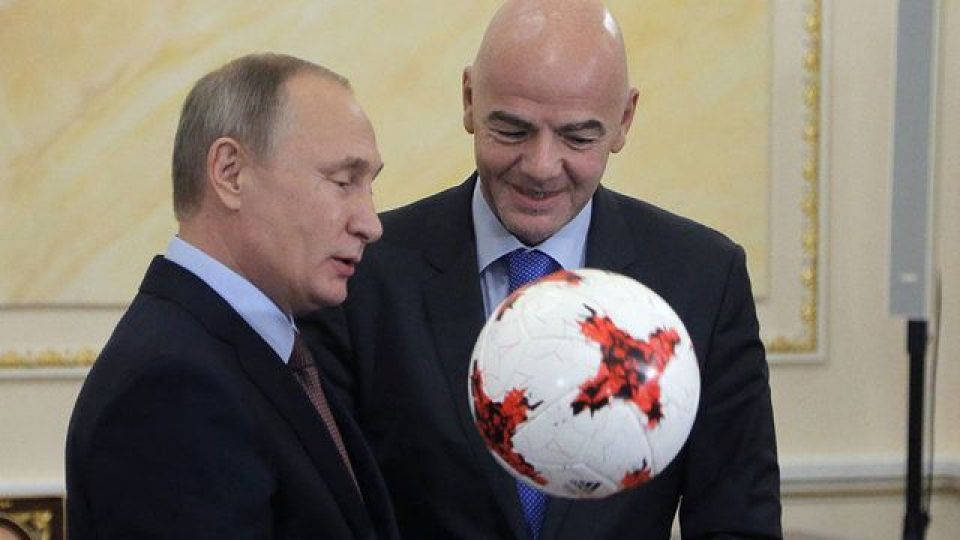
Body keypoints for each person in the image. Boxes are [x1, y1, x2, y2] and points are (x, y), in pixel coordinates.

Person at [301, 1, 782, 538]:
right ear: (469, 100)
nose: (541, 167)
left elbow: (738, 521)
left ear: (624, 120)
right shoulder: (362, 273)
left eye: (578, 137)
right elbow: (325, 517)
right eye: (512, 130)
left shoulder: (703, 279)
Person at [66, 53, 400, 539]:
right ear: (230, 172)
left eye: (369, 187)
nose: (371, 223)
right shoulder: (172, 388)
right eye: (343, 182)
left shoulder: (268, 351)